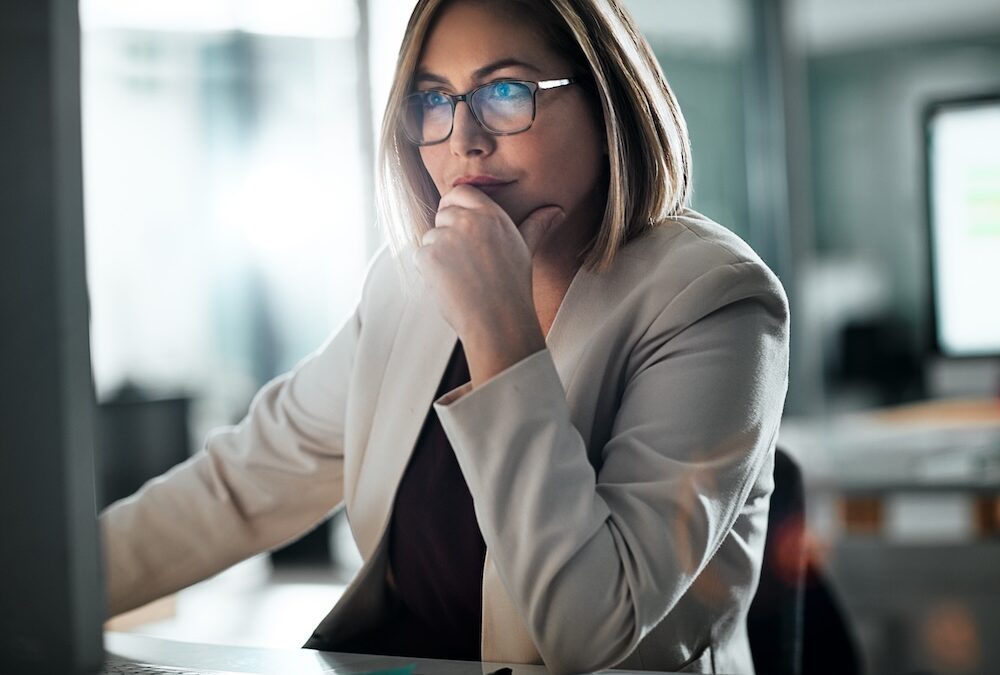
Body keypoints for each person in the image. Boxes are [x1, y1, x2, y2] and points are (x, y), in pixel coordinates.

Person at [101, 0, 790, 673]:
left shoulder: (714, 300)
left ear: (605, 96)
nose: (464, 139)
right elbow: (238, 487)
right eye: (434, 100)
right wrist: (39, 592)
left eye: (506, 91)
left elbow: (588, 630)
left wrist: (499, 328)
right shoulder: (410, 284)